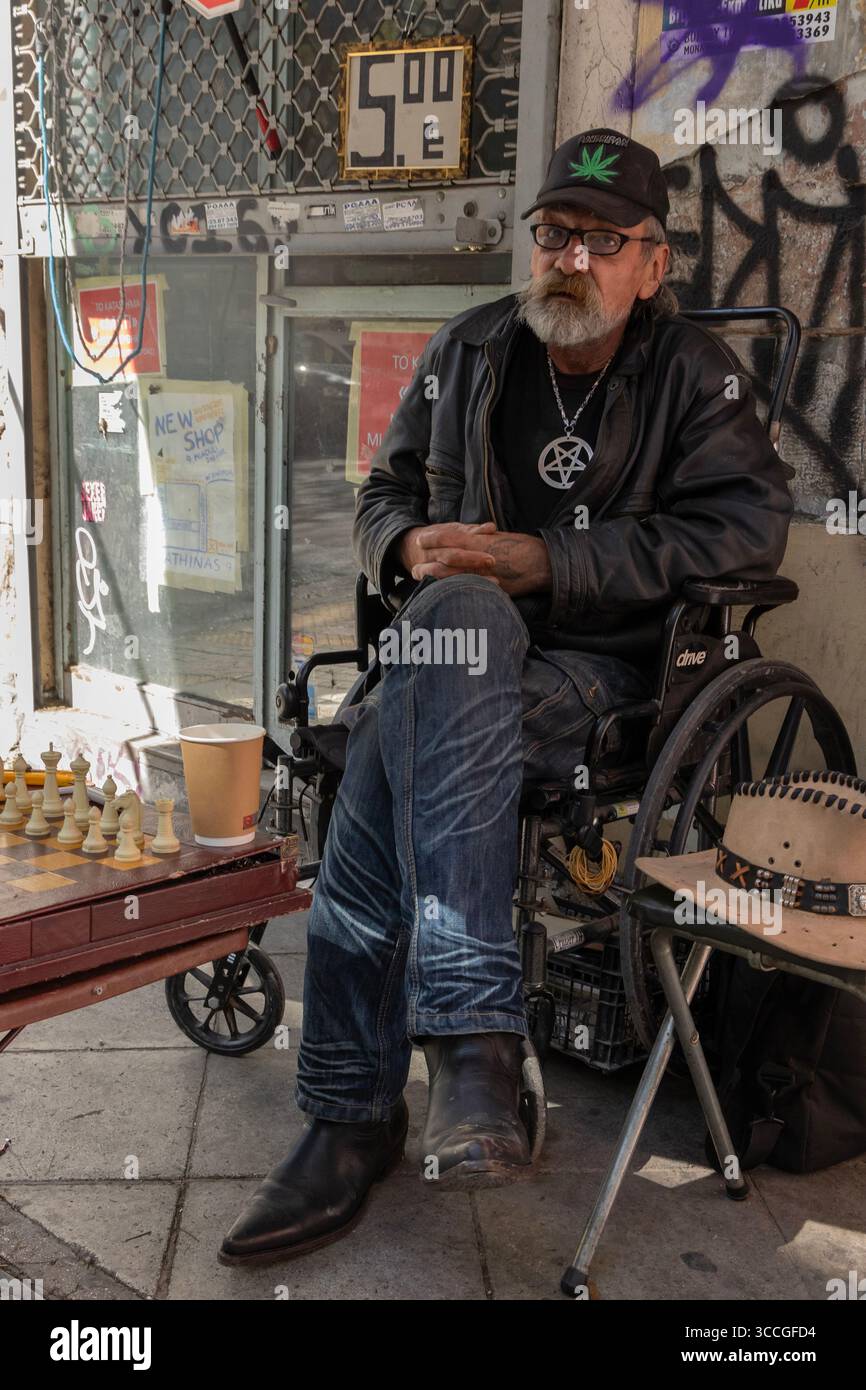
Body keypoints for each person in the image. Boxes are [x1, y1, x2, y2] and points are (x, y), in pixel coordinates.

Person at [219, 128, 793, 1266]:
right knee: (459, 626)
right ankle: (470, 1047)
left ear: (650, 262)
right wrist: (408, 544)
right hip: (455, 657)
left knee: (388, 739)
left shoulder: (692, 378)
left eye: (598, 240)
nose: (567, 259)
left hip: (600, 677)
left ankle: (349, 1114)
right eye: (552, 233)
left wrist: (552, 564)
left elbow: (744, 529)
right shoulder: (471, 349)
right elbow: (381, 488)